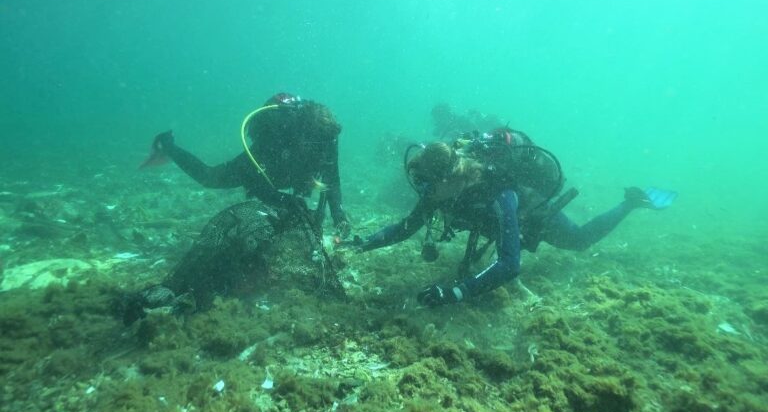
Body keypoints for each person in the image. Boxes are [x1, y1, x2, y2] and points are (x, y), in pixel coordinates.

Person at [352, 128, 675, 306]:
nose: (423, 192)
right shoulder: (441, 190)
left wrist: (456, 293)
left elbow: (510, 264)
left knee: (578, 241)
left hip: (530, 214)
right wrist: (362, 243)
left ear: (448, 177)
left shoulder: (497, 192)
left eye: (427, 185)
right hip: (488, 219)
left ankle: (631, 202)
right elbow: (407, 227)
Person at [119, 93, 349, 322]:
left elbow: (332, 178)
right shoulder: (277, 135)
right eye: (316, 145)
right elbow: (254, 181)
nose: (323, 151)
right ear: (303, 135)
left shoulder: (327, 137)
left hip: (290, 170)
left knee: (295, 210)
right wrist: (280, 199)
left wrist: (339, 216)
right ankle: (166, 145)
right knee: (210, 177)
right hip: (266, 167)